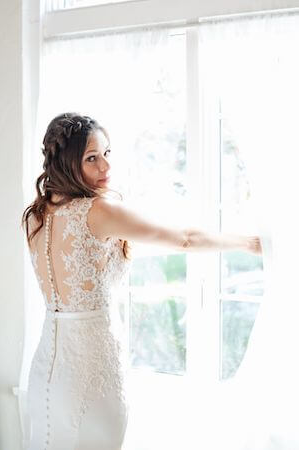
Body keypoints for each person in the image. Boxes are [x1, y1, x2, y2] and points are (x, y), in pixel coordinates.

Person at [21, 112, 262, 450]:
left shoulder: (36, 215)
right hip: (92, 373)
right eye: (92, 158)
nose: (105, 168)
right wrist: (249, 243)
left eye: (106, 154)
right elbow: (185, 239)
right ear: (66, 161)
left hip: (46, 371)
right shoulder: (98, 212)